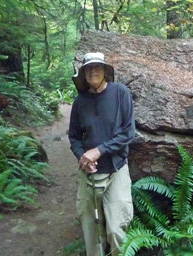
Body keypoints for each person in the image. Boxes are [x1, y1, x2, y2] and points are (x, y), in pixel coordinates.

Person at [69, 52, 135, 256]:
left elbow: (128, 133)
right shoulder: (80, 102)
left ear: (105, 71)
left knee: (116, 230)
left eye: (97, 67)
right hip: (89, 175)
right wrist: (84, 157)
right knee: (92, 231)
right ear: (83, 74)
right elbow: (74, 137)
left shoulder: (120, 93)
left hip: (116, 170)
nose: (93, 71)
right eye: (88, 68)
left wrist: (99, 151)